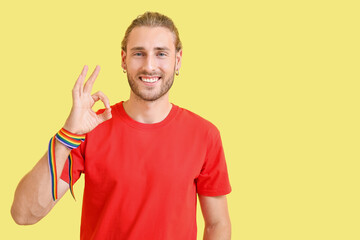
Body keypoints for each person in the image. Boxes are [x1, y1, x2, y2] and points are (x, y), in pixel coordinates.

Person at [11, 11, 232, 240]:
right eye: (139, 53)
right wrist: (67, 135)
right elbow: (24, 214)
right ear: (123, 60)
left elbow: (217, 225)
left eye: (161, 54)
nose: (149, 66)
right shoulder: (90, 129)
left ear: (177, 60)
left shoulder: (205, 135)